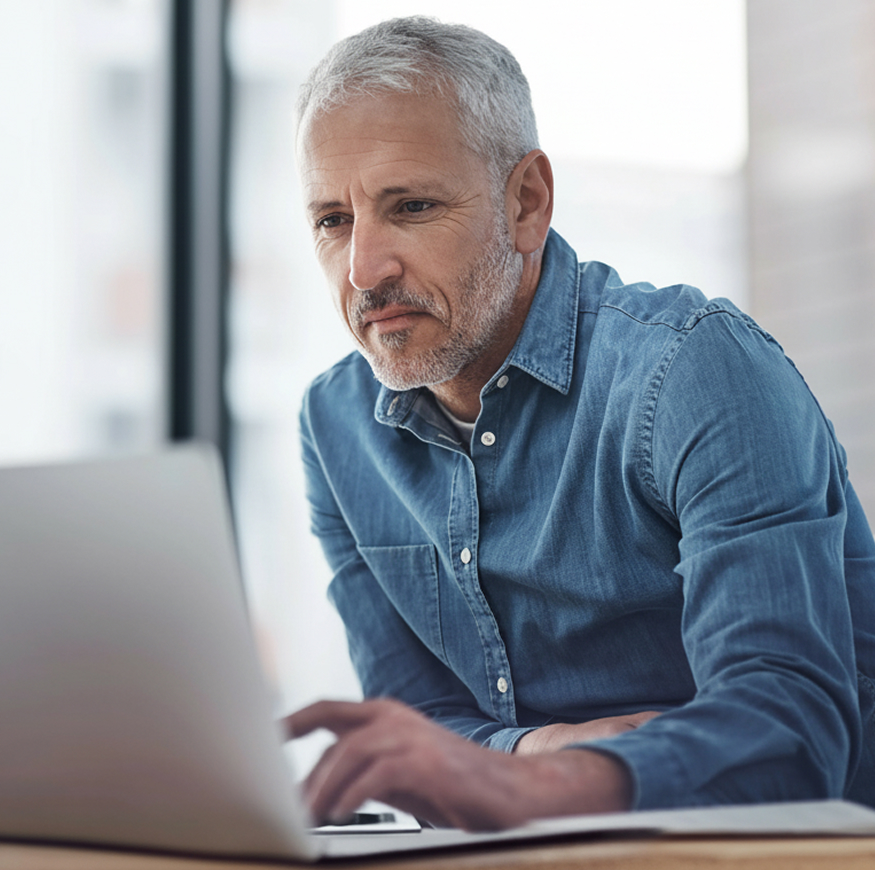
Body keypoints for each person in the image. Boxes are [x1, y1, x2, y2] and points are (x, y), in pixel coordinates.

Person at [286, 16, 875, 831]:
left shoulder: (695, 371)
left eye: (411, 205)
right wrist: (535, 754)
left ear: (526, 203)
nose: (364, 269)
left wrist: (526, 788)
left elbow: (789, 731)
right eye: (332, 220)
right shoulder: (336, 423)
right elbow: (412, 724)